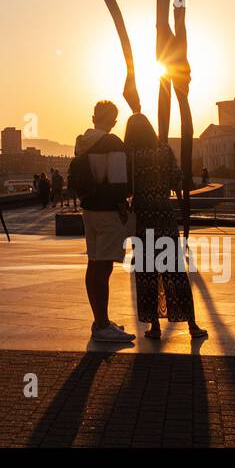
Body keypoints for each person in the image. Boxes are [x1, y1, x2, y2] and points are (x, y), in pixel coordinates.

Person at [125, 113, 207, 341]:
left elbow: (125, 189)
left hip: (142, 218)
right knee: (175, 271)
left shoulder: (130, 157)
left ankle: (154, 327)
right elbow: (177, 180)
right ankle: (192, 325)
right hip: (164, 215)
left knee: (147, 272)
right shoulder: (164, 151)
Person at [68, 101, 135, 344]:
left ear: (93, 117)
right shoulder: (112, 142)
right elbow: (118, 180)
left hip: (89, 211)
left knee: (94, 263)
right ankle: (103, 325)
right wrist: (123, 206)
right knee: (104, 267)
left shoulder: (81, 142)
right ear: (114, 121)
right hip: (108, 212)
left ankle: (100, 320)